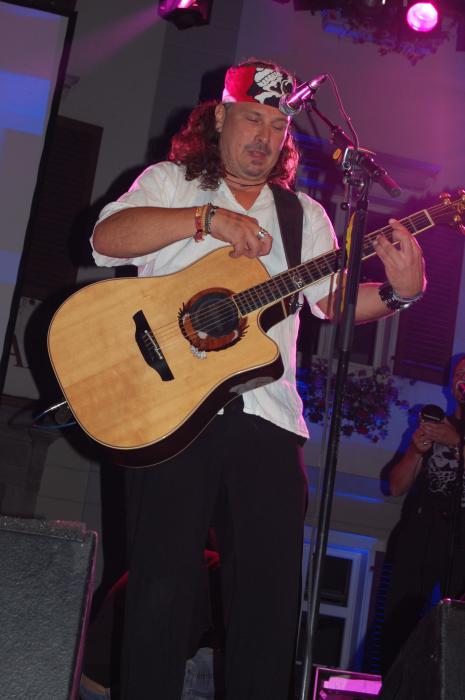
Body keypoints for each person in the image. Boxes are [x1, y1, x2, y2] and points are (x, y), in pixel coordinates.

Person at [90, 58, 425, 700]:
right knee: (160, 590)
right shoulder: (170, 181)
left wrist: (401, 295)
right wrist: (206, 220)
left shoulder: (303, 216)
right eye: (252, 119)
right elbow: (107, 238)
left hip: (268, 418)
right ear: (220, 117)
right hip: (171, 410)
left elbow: (332, 302)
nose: (264, 138)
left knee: (269, 603)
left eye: (277, 126)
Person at [380, 355, 465, 676]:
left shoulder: (450, 433)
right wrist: (416, 450)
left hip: (462, 540)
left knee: (458, 623)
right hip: (423, 530)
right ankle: (393, 684)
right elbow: (395, 486)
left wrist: (456, 442)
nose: (463, 378)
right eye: (459, 373)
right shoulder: (438, 424)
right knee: (399, 619)